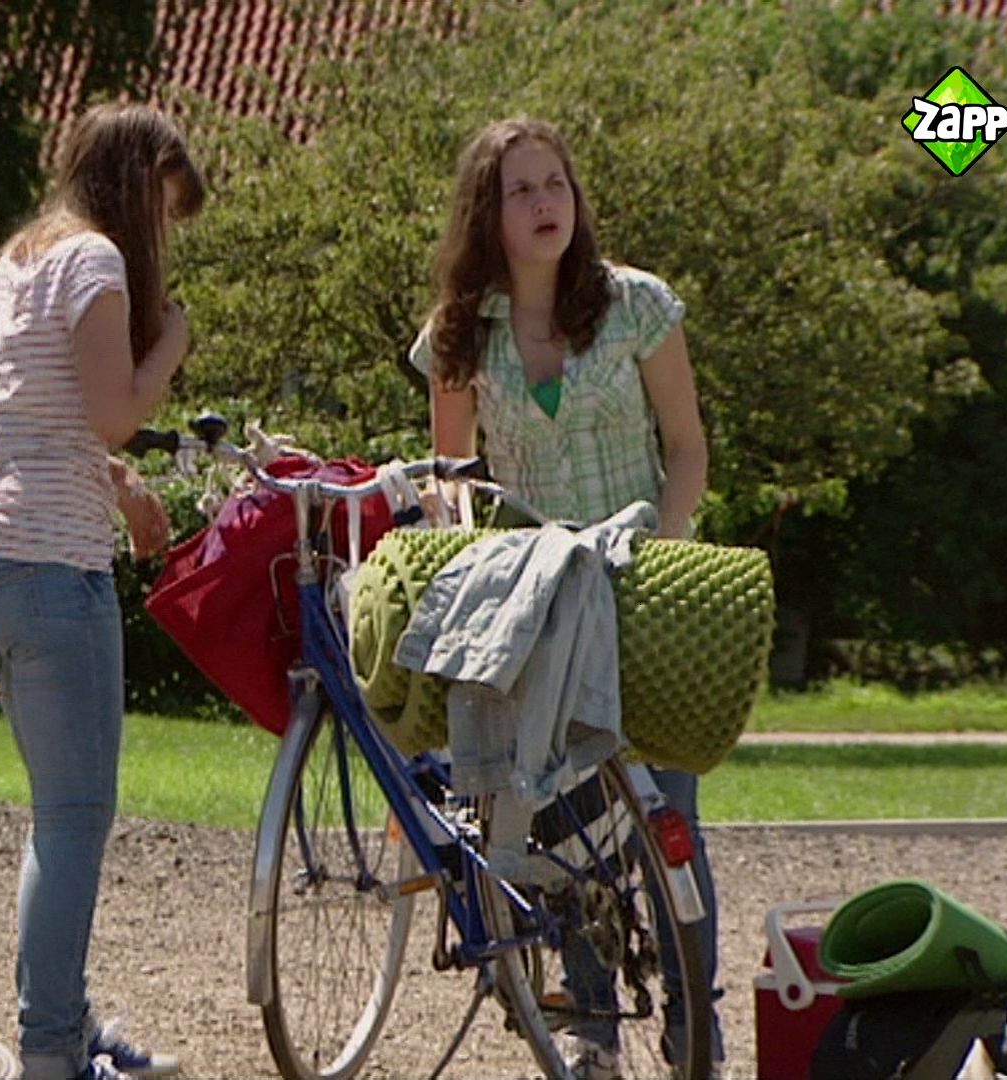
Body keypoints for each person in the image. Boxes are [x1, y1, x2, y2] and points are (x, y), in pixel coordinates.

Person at [408, 117, 722, 1077]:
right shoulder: (461, 333)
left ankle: (695, 1027)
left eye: (556, 184)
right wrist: (467, 571)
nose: (546, 203)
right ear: (489, 214)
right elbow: (451, 478)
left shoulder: (636, 306)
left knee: (666, 820)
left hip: (642, 588)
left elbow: (688, 447)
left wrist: (664, 549)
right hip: (539, 601)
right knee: (564, 824)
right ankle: (592, 1027)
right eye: (522, 190)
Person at [0, 103, 203, 1080]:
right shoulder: (96, 262)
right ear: (137, 188)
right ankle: (52, 1052)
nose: (165, 236)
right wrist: (168, 347)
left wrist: (117, 489)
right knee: (72, 820)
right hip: (53, 573)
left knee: (58, 813)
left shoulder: (15, 263)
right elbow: (112, 412)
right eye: (166, 212)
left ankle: (67, 1021)